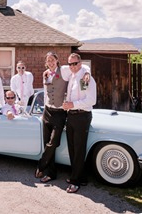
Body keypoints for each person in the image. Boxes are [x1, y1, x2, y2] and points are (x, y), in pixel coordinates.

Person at [62, 53, 96, 193]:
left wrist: (72, 104)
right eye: (70, 64)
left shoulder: (85, 78)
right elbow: (60, 68)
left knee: (79, 149)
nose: (72, 66)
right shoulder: (72, 76)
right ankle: (80, 176)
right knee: (72, 148)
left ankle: (75, 182)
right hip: (71, 116)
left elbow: (91, 100)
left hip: (82, 116)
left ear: (80, 63)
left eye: (75, 63)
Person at [34, 51, 69, 183]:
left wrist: (87, 73)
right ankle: (50, 174)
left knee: (53, 142)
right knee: (46, 142)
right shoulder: (46, 74)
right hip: (47, 112)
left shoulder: (64, 70)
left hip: (60, 112)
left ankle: (41, 165)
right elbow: (46, 93)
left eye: (52, 59)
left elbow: (82, 68)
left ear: (57, 60)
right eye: (48, 60)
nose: (50, 62)